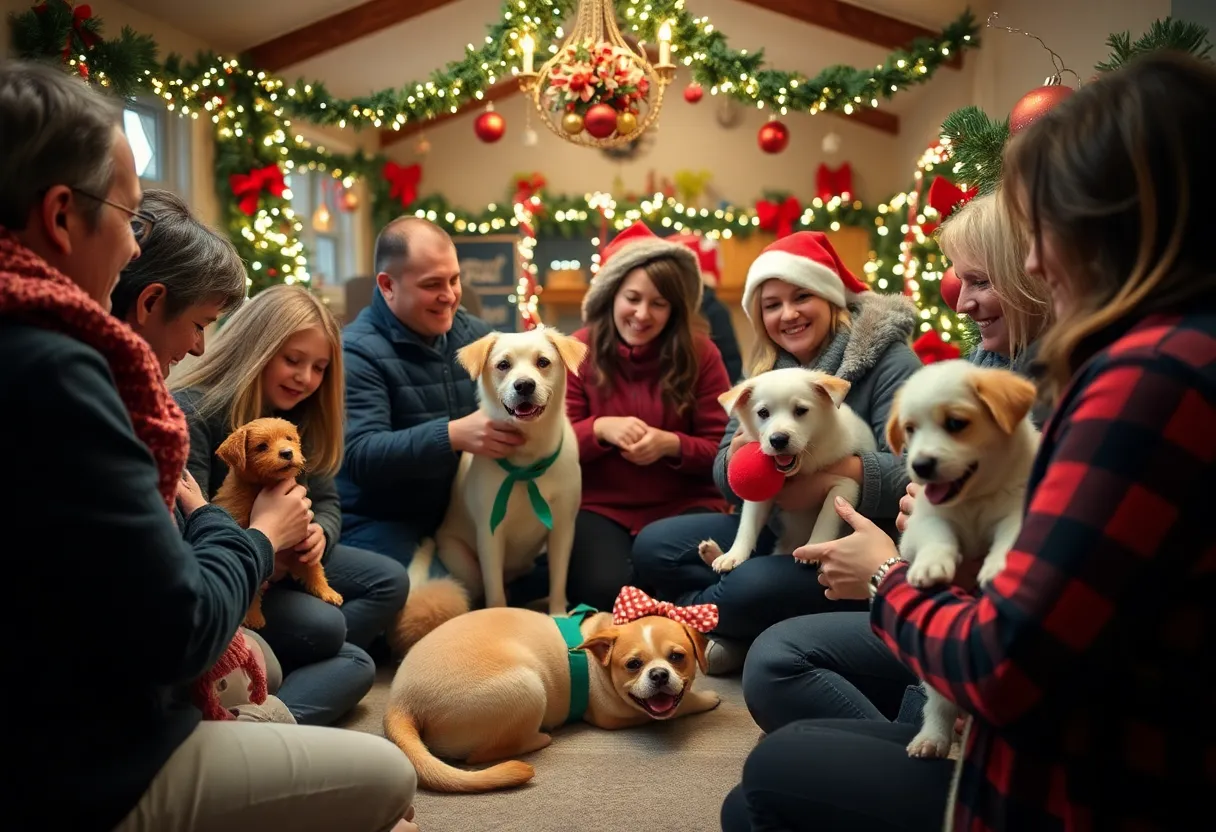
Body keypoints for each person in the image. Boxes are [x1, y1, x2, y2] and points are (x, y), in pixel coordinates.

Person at [723, 51, 1216, 832]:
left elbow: (1004, 660)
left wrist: (889, 576)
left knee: (770, 771)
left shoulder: (1148, 380)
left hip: (1065, 782)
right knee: (771, 758)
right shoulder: (1162, 358)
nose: (1032, 260)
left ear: (1117, 221)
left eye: (1044, 227)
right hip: (1018, 690)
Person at [0, 61, 417, 831]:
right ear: (61, 216)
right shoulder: (64, 374)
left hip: (81, 693)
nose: (133, 249)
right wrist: (250, 534)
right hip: (77, 761)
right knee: (389, 775)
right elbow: (181, 633)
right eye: (128, 217)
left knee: (315, 642)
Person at [742, 190, 1054, 731]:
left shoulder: (1027, 387)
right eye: (771, 305)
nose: (960, 302)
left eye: (979, 281)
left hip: (943, 597)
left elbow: (907, 471)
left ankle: (919, 738)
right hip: (922, 575)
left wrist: (878, 544)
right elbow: (733, 465)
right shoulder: (987, 361)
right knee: (673, 552)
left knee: (768, 641)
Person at [631, 230, 921, 673]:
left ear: (830, 298)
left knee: (750, 582)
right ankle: (735, 626)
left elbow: (914, 471)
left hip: (861, 540)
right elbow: (724, 470)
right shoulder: (767, 370)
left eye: (801, 296)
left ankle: (693, 626)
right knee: (655, 546)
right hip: (777, 520)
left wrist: (835, 475)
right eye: (771, 305)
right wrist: (744, 458)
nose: (788, 314)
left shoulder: (890, 361)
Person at [173, 284, 410, 726]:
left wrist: (321, 531)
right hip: (233, 573)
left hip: (282, 558)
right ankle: (267, 691)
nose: (306, 378)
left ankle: (278, 667)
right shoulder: (199, 413)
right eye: (293, 360)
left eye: (319, 367)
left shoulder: (298, 419)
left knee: (389, 584)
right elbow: (193, 527)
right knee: (334, 636)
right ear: (255, 348)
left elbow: (328, 503)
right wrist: (267, 545)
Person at [114, 187, 293, 722]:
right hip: (134, 708)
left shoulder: (139, 401)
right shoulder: (152, 413)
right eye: (199, 324)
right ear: (149, 303)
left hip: (207, 608)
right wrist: (260, 536)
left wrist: (309, 533)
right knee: (383, 773)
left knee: (295, 662)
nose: (198, 348)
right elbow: (184, 612)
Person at [565, 222, 731, 610]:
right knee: (599, 590)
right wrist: (600, 429)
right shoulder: (578, 350)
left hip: (685, 505)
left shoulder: (702, 354)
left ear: (674, 309)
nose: (642, 314)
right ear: (611, 296)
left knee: (689, 576)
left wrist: (672, 445)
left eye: (658, 303)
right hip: (600, 506)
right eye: (633, 298)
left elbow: (723, 450)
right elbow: (554, 446)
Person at [337, 217, 519, 571]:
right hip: (383, 521)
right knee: (443, 600)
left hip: (460, 512)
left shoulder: (478, 336)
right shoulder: (355, 353)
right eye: (432, 284)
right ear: (388, 285)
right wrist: (452, 435)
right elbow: (360, 456)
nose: (449, 296)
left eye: (454, 279)